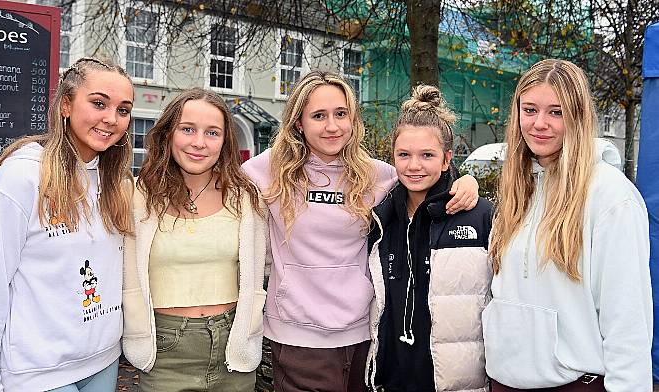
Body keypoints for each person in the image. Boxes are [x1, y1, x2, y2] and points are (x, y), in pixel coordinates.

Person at [241, 71, 479, 392]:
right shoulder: (266, 171)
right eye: (319, 116)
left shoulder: (378, 176)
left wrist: (462, 179)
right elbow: (211, 178)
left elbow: (424, 173)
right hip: (297, 334)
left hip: (364, 334)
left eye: (341, 114)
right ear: (299, 122)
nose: (332, 126)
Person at [483, 59, 652, 391]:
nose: (539, 123)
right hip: (504, 382)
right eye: (529, 109)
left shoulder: (610, 196)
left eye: (556, 112)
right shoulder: (519, 188)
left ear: (577, 116)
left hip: (575, 382)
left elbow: (627, 320)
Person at [0, 57, 134, 391]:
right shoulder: (21, 177)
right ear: (67, 105)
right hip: (36, 372)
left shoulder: (118, 184)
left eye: (123, 110)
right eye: (99, 103)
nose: (111, 119)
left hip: (103, 361)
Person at [121, 87, 267, 392]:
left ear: (225, 141)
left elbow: (264, 265)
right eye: (187, 129)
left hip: (233, 347)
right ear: (168, 134)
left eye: (212, 132)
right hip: (165, 350)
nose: (199, 143)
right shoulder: (135, 196)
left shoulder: (246, 199)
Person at [366, 85, 493, 392]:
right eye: (404, 155)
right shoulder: (380, 219)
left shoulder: (479, 216)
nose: (414, 165)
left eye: (427, 155)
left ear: (447, 159)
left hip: (454, 382)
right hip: (392, 378)